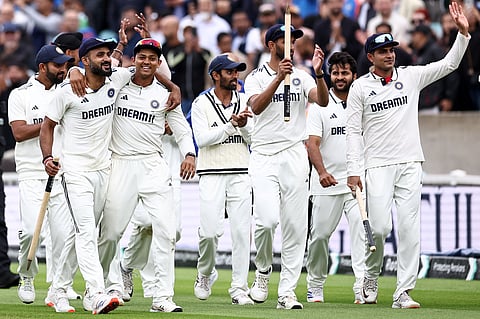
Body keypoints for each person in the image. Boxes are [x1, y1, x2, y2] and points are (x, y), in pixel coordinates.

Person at [346, 2, 470, 309]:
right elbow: (353, 132)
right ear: (371, 57)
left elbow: (448, 65)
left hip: (411, 162)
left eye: (392, 50)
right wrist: (353, 169)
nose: (390, 54)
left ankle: (403, 292)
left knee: (409, 228)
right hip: (376, 165)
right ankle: (371, 276)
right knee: (379, 228)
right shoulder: (360, 88)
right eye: (383, 51)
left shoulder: (411, 76)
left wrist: (463, 34)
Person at [97, 38, 196, 313]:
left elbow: (181, 128)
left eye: (152, 58)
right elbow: (99, 69)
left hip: (153, 165)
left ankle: (162, 297)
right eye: (142, 57)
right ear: (134, 58)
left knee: (166, 231)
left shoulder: (166, 93)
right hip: (120, 163)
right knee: (111, 232)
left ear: (158, 62)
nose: (146, 62)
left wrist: (189, 154)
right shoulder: (118, 82)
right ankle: (101, 286)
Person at [39, 37, 135, 315]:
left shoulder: (115, 80)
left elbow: (147, 70)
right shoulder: (66, 92)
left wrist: (173, 87)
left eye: (109, 54)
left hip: (103, 170)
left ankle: (58, 288)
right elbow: (47, 127)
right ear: (84, 61)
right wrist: (47, 157)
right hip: (75, 171)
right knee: (85, 231)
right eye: (99, 54)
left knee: (82, 233)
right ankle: (95, 293)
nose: (107, 58)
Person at [243, 24, 328, 310]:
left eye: (293, 40)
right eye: (284, 40)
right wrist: (279, 78)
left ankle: (287, 292)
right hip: (264, 155)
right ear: (271, 45)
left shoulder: (303, 76)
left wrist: (319, 72)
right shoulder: (255, 77)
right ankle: (263, 271)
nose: (291, 44)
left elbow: (324, 101)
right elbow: (255, 107)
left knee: (295, 226)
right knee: (266, 221)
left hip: (294, 154)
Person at [8, 44, 78, 312]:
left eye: (65, 65)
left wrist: (74, 72)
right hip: (31, 171)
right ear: (42, 67)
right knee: (29, 232)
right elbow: (19, 132)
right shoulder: (21, 94)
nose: (63, 69)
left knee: (63, 235)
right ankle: (27, 274)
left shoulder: (69, 90)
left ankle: (57, 288)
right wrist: (51, 120)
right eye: (58, 65)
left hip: (61, 172)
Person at [191, 53, 254, 305]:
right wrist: (230, 126)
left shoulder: (246, 100)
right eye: (229, 72)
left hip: (240, 171)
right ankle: (205, 273)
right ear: (215, 75)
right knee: (209, 233)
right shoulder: (200, 103)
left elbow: (254, 139)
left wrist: (244, 126)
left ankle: (239, 288)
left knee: (240, 233)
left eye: (237, 71)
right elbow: (202, 139)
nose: (235, 76)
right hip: (211, 173)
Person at [305, 51, 366, 304]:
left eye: (345, 73)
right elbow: (311, 143)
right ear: (330, 74)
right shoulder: (321, 104)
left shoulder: (362, 102)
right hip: (326, 183)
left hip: (356, 184)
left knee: (362, 234)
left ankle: (362, 286)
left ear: (354, 75)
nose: (340, 77)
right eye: (336, 72)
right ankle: (315, 285)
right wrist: (321, 172)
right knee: (319, 237)